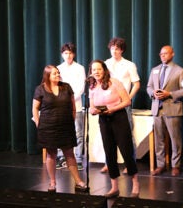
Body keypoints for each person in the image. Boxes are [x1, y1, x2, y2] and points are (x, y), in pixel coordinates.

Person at [88, 60, 139, 198]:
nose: (96, 72)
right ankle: (114, 187)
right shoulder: (92, 86)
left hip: (119, 118)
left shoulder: (114, 82)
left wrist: (112, 109)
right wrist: (93, 111)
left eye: (99, 69)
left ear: (104, 70)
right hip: (104, 120)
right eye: (94, 70)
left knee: (126, 151)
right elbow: (91, 106)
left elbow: (127, 101)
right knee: (109, 153)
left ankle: (135, 185)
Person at [32, 65, 87, 192]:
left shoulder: (66, 87)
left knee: (69, 154)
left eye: (58, 72)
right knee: (51, 155)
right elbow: (35, 108)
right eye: (54, 73)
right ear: (48, 76)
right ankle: (52, 182)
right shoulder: (40, 89)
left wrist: (71, 120)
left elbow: (73, 107)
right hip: (47, 127)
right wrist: (38, 123)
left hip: (66, 126)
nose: (58, 75)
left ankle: (78, 181)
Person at [100, 37, 140, 174]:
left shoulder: (129, 65)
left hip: (123, 105)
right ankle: (109, 163)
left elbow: (137, 84)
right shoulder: (105, 64)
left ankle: (130, 164)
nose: (114, 51)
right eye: (112, 48)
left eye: (117, 49)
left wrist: (127, 97)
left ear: (122, 50)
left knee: (127, 135)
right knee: (108, 136)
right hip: (107, 104)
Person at [146, 45, 183, 177]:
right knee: (159, 139)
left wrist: (169, 94)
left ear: (172, 54)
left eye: (166, 53)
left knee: (175, 139)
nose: (163, 56)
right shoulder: (155, 70)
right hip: (157, 109)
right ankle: (160, 165)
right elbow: (149, 86)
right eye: (161, 54)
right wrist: (153, 93)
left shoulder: (180, 71)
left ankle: (176, 165)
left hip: (172, 109)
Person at [56, 42, 86, 171]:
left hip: (76, 105)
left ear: (74, 54)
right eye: (66, 53)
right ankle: (61, 157)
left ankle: (78, 159)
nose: (68, 56)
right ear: (62, 54)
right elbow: (56, 85)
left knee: (78, 133)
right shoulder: (58, 68)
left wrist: (71, 98)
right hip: (60, 106)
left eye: (70, 53)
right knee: (60, 131)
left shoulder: (80, 68)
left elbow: (81, 87)